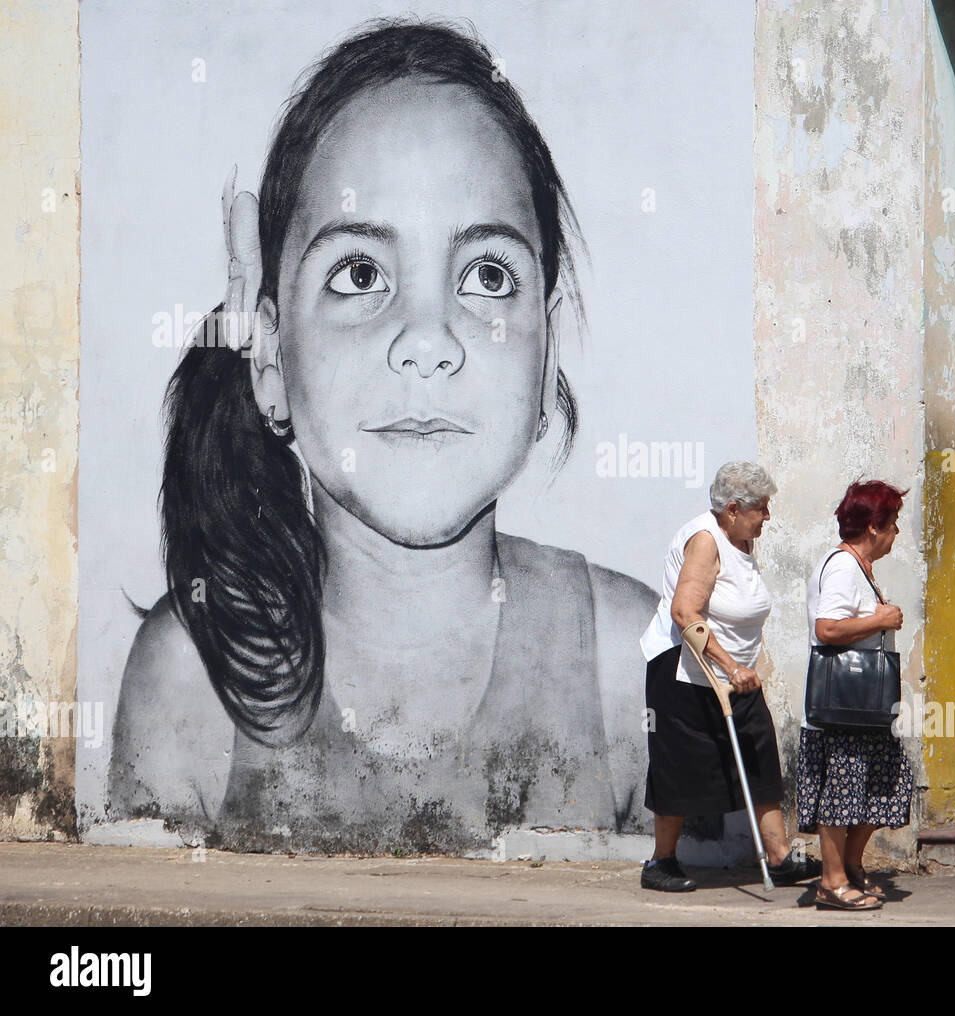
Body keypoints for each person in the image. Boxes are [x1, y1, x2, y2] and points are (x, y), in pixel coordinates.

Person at [108, 18, 657, 853]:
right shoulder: (193, 681)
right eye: (360, 274)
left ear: (545, 363)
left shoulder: (630, 667)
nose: (429, 340)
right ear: (270, 360)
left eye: (487, 275)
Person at [638, 461, 820, 891]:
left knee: (758, 752)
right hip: (685, 672)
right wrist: (731, 665)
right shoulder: (705, 540)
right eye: (762, 508)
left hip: (735, 674)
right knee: (678, 765)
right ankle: (660, 862)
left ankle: (778, 857)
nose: (768, 518)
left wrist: (739, 668)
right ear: (734, 509)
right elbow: (686, 612)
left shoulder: (737, 538)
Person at [799, 479, 913, 910]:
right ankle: (831, 882)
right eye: (893, 523)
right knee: (843, 792)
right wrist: (882, 619)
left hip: (862, 707)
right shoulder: (844, 567)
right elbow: (827, 628)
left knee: (885, 782)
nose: (895, 533)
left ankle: (849, 867)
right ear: (872, 527)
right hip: (841, 708)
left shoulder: (860, 568)